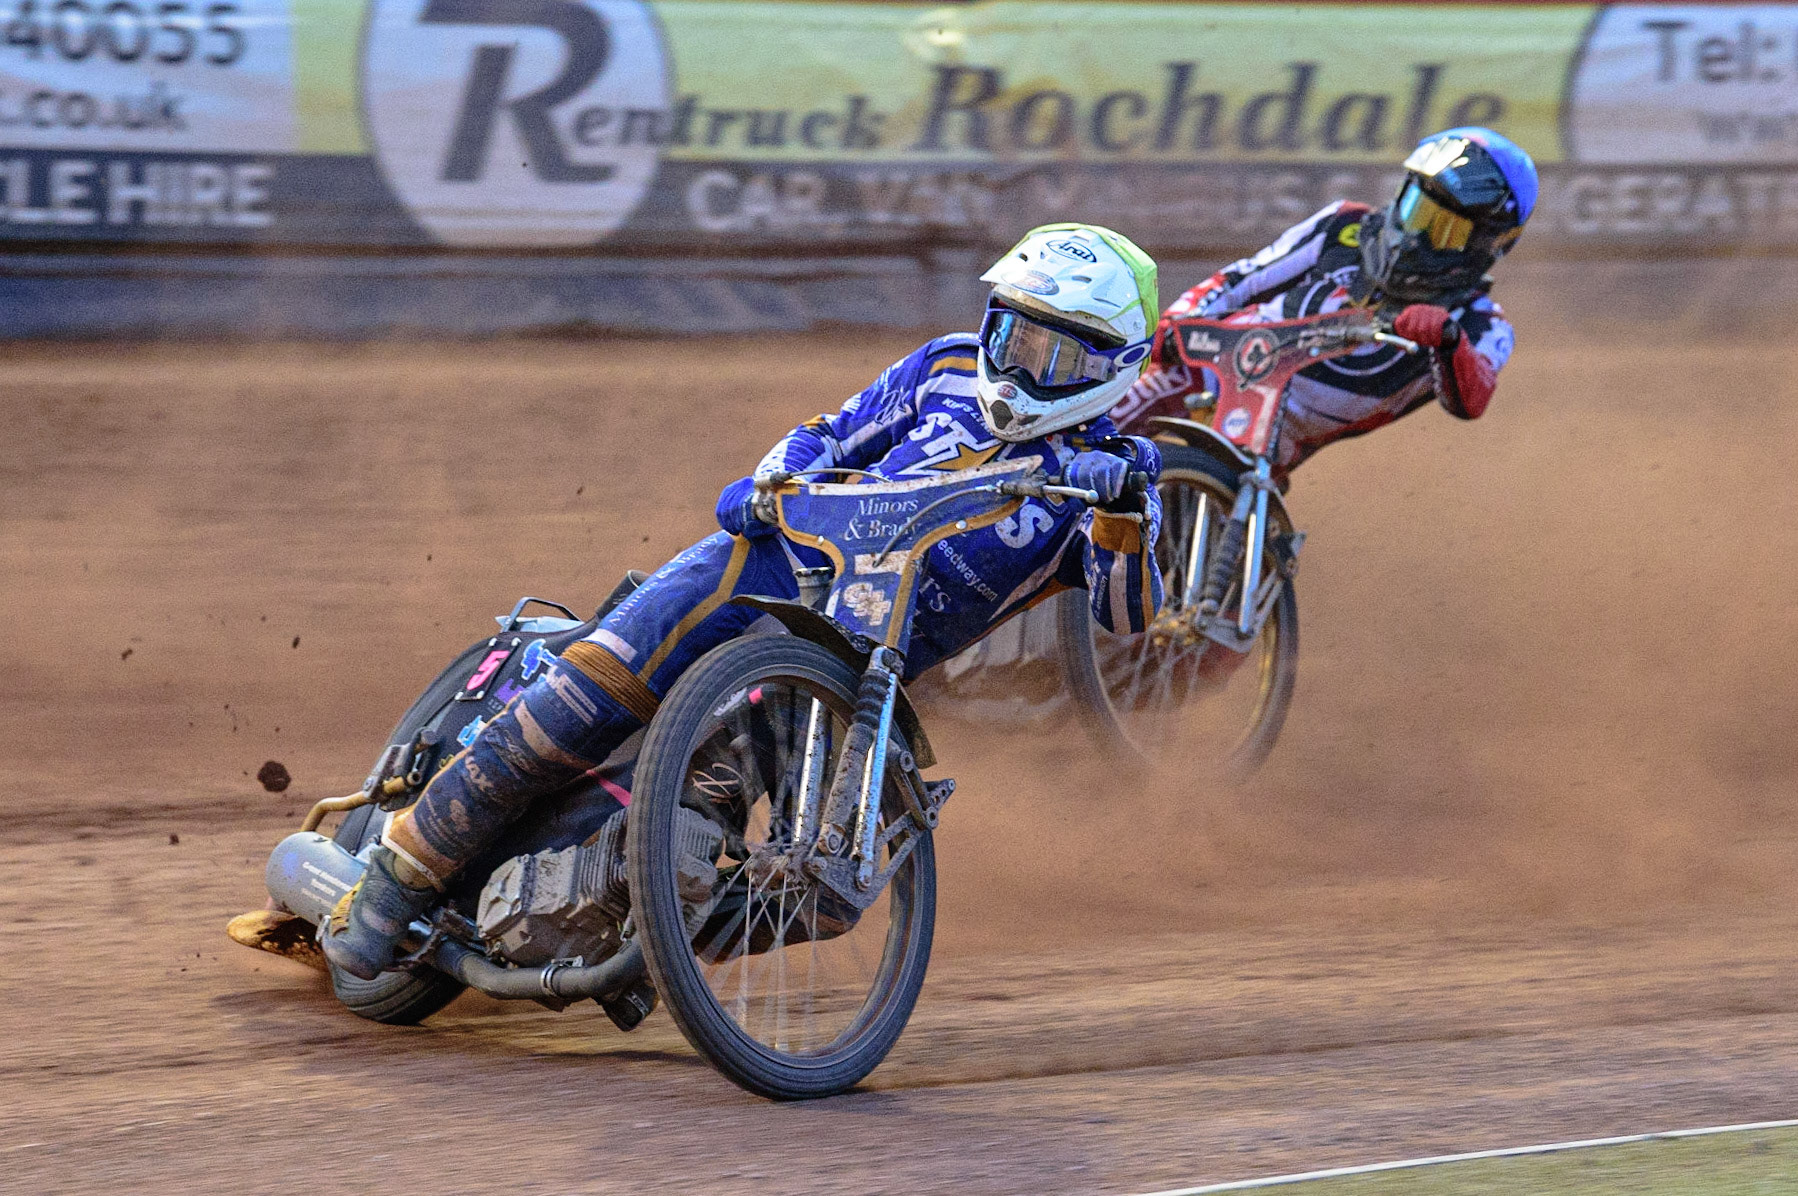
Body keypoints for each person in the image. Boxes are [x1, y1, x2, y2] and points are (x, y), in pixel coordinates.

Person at [322, 223, 1169, 980]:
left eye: (1060, 356)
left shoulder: (1115, 478)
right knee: (571, 712)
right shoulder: (945, 366)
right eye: (1016, 336)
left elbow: (1126, 616)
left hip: (853, 678)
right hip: (759, 567)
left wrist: (1123, 513)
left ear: (1116, 368)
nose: (1025, 367)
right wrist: (770, 479)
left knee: (832, 894)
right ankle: (387, 893)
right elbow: (829, 433)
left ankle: (648, 946)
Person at [1111, 126, 1538, 474]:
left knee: (1247, 555)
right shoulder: (1343, 225)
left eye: (1444, 228)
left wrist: (1448, 340)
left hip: (1274, 449)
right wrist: (1178, 320)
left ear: (1488, 242)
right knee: (1099, 433)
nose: (1416, 236)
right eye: (1416, 209)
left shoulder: (1481, 324)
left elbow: (1473, 399)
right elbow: (1244, 277)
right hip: (1213, 370)